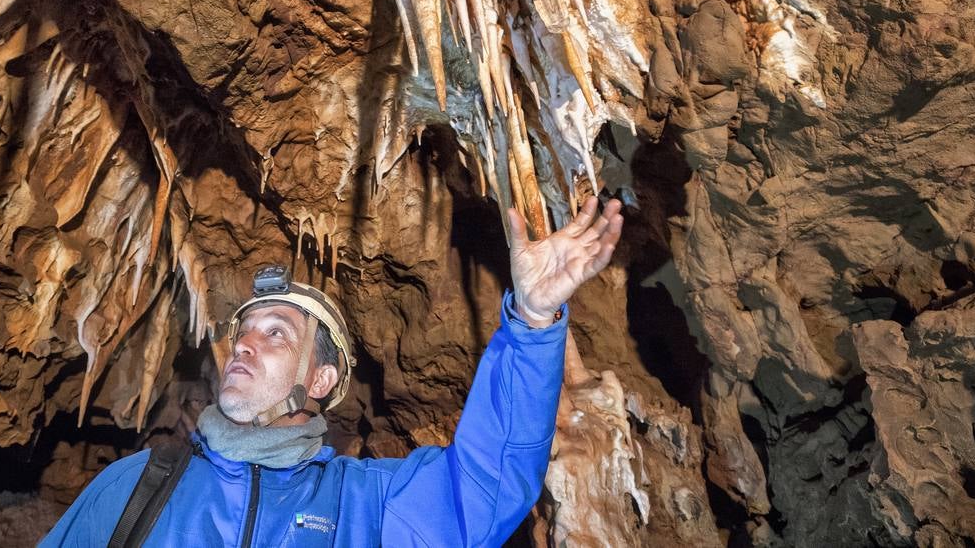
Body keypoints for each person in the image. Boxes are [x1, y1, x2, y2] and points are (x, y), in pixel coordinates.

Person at [41, 196, 624, 547]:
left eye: (276, 333)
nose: (244, 346)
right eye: (243, 332)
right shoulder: (138, 486)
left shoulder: (364, 506)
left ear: (318, 382)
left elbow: (485, 487)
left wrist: (532, 321)